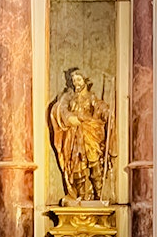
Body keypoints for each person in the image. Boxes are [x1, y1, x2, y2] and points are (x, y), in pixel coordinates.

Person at [49, 68, 116, 204]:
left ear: (85, 80)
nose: (76, 83)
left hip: (89, 132)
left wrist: (106, 111)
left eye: (78, 80)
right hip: (73, 136)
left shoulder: (91, 97)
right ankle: (81, 196)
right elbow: (60, 109)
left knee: (94, 162)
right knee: (77, 165)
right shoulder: (68, 97)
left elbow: (99, 106)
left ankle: (98, 195)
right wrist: (69, 117)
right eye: (74, 81)